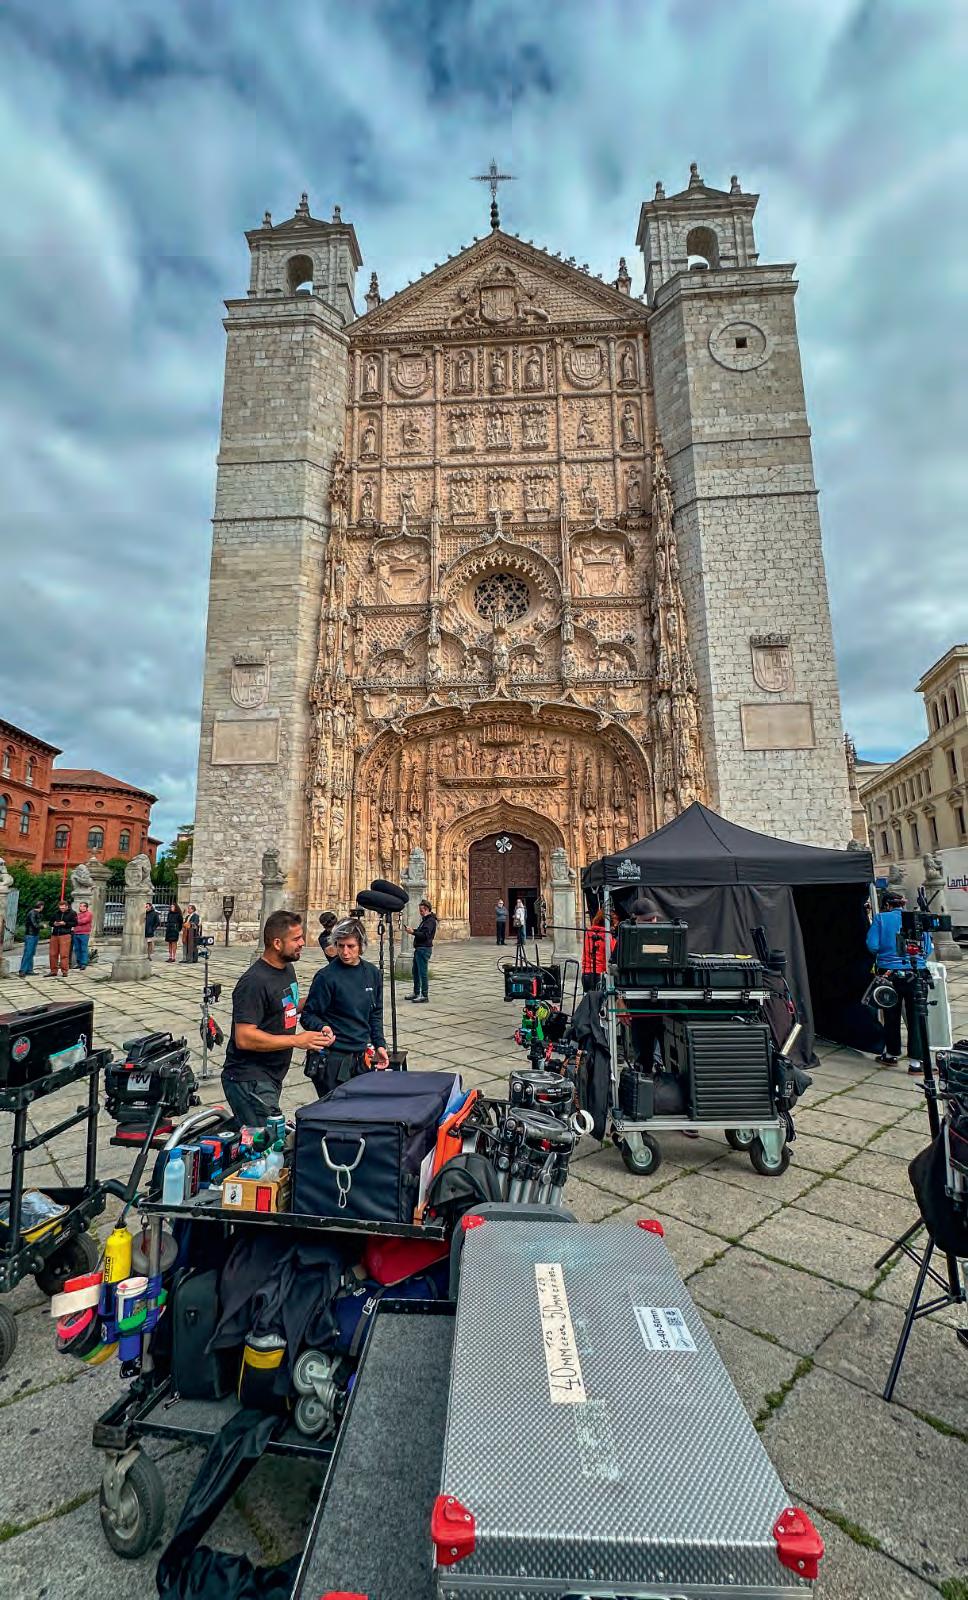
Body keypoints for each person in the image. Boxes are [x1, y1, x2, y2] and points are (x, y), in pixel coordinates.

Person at [221, 909, 333, 1128]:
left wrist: (319, 998)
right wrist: (297, 1040)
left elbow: (285, 1007)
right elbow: (244, 1037)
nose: (302, 943)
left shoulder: (286, 969)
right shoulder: (254, 982)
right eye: (296, 939)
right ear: (277, 943)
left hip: (271, 1075)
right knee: (269, 1140)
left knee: (258, 1135)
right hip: (250, 1078)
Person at [301, 918, 389, 1096]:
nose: (345, 952)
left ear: (361, 945)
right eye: (340, 946)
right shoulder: (326, 977)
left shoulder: (372, 973)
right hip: (333, 1060)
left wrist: (379, 1044)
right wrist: (322, 1026)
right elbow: (308, 1015)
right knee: (335, 1110)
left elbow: (375, 1013)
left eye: (351, 946)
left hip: (361, 1057)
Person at [866, 890, 934, 1070]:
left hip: (889, 973)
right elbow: (928, 948)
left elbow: (872, 945)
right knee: (916, 1016)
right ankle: (916, 1062)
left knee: (890, 1014)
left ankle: (891, 1053)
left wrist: (886, 954)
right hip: (916, 972)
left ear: (887, 905)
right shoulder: (917, 919)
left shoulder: (881, 919)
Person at [405, 899, 437, 1003]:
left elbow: (425, 935)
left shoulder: (430, 921)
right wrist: (413, 930)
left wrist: (413, 932)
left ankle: (424, 995)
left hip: (424, 949)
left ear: (427, 909)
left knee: (422, 973)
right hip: (419, 949)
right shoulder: (425, 920)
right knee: (415, 972)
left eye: (421, 911)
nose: (420, 913)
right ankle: (416, 992)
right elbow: (420, 932)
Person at [581, 909, 611, 992]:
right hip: (600, 975)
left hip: (586, 974)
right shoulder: (607, 935)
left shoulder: (588, 933)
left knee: (590, 998)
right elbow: (613, 955)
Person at [48, 900, 76, 978]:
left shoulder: (72, 913)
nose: (62, 909)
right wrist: (54, 923)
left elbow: (75, 923)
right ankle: (53, 971)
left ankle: (64, 971)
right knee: (53, 954)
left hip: (65, 934)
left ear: (67, 907)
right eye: (60, 908)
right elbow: (50, 922)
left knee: (64, 954)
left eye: (63, 908)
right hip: (55, 934)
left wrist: (65, 923)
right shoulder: (56, 913)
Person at [19, 900, 44, 977]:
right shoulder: (32, 913)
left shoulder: (35, 913)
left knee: (31, 953)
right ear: (41, 906)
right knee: (28, 952)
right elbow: (34, 925)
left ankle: (29, 969)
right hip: (30, 935)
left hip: (34, 935)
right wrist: (42, 926)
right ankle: (22, 970)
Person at [73, 902, 93, 970]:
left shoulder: (89, 914)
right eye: (81, 906)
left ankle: (84, 963)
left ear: (86, 907)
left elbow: (84, 921)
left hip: (84, 933)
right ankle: (79, 963)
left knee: (83, 949)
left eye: (84, 906)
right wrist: (76, 921)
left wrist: (76, 921)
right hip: (76, 933)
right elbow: (74, 921)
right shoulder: (78, 914)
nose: (82, 907)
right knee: (77, 949)